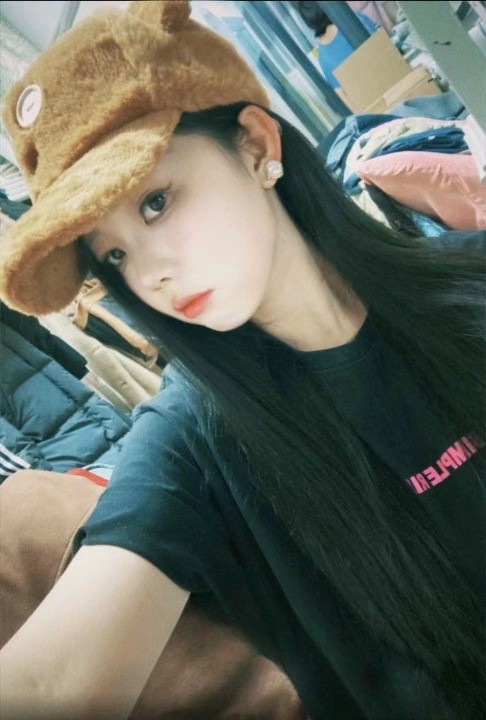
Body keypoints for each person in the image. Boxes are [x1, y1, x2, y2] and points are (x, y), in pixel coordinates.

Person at [0, 1, 484, 719]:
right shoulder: (193, 447)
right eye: (115, 255)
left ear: (256, 146)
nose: (150, 274)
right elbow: (47, 685)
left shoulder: (469, 283)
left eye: (155, 202)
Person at [294, 1, 377, 103]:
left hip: (371, 104)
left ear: (308, 22)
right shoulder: (355, 20)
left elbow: (345, 99)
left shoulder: (323, 58)